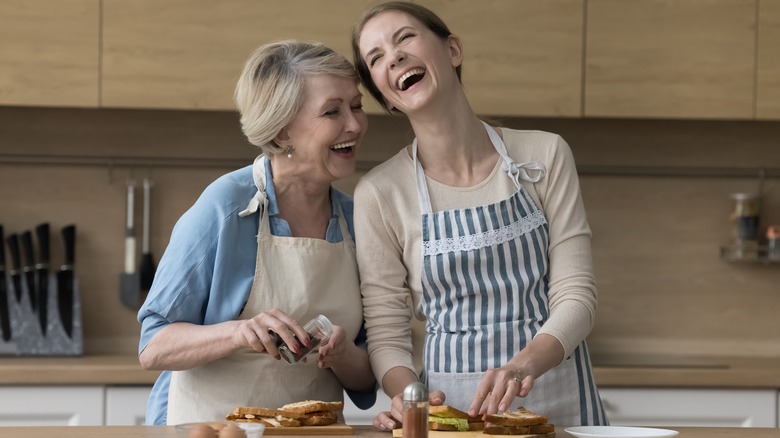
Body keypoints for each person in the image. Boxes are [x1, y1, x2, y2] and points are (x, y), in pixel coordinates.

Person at [350, 1, 608, 429]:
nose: (392, 56)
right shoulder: (379, 193)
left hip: (558, 405)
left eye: (405, 38)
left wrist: (523, 366)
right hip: (450, 414)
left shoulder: (544, 155)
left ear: (452, 50)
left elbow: (577, 295)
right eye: (375, 58)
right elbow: (387, 334)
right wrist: (410, 399)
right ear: (385, 96)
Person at [137, 40, 376, 425]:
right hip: (210, 430)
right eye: (332, 111)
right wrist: (237, 332)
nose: (355, 124)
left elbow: (367, 380)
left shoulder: (358, 219)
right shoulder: (226, 207)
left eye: (357, 105)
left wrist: (344, 353)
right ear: (283, 133)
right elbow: (153, 347)